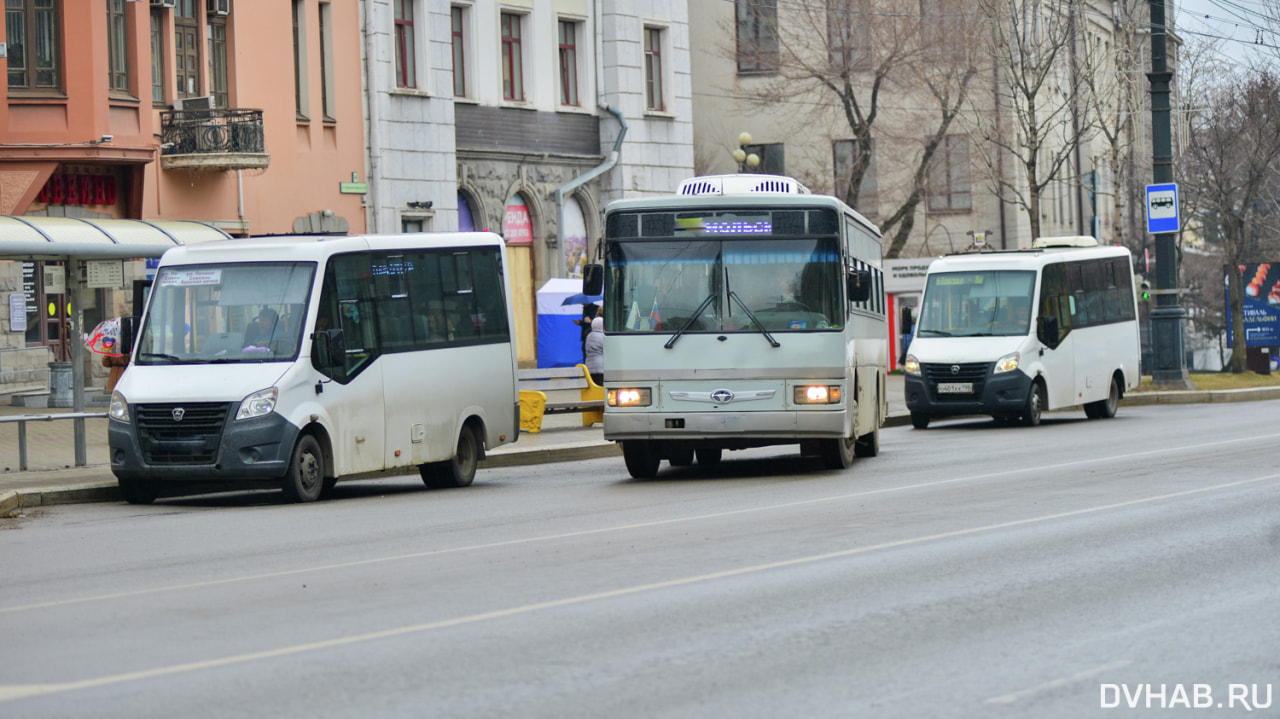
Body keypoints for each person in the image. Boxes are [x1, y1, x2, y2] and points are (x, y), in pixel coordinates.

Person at [583, 316, 604, 386]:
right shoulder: (601, 336)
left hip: (589, 367)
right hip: (600, 367)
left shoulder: (589, 335)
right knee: (600, 389)